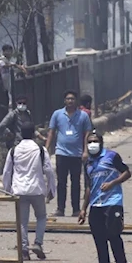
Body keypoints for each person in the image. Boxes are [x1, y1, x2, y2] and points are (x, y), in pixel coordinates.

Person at [79, 132, 132, 263]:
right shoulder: (88, 163)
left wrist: (113, 183)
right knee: (100, 240)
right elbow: (89, 187)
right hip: (96, 204)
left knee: (114, 236)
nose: (92, 144)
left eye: (95, 141)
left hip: (113, 202)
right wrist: (83, 209)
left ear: (101, 143)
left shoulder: (112, 156)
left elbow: (127, 173)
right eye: (89, 142)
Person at [1, 123, 55, 261]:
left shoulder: (14, 150)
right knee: (41, 217)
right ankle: (38, 243)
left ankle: (24, 250)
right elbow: (49, 171)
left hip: (19, 190)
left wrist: (7, 190)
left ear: (20, 133)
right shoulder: (40, 150)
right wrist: (51, 190)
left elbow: (7, 172)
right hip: (36, 189)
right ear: (33, 134)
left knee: (22, 221)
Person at [46, 90, 94, 218]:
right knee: (61, 182)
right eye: (68, 99)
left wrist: (85, 151)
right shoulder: (57, 114)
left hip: (76, 154)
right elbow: (51, 132)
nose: (70, 101)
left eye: (72, 99)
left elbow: (87, 134)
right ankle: (60, 208)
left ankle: (76, 209)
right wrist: (46, 149)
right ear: (64, 100)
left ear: (76, 101)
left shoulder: (83, 116)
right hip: (61, 153)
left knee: (76, 182)